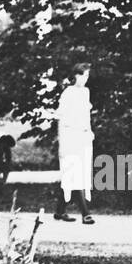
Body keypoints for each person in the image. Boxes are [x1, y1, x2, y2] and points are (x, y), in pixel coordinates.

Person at [54, 63, 94, 223]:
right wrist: (62, 144)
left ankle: (60, 210)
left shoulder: (86, 92)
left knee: (80, 173)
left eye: (87, 76)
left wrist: (89, 131)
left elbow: (86, 117)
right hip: (70, 137)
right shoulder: (68, 93)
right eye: (83, 75)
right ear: (76, 76)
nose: (85, 79)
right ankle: (85, 213)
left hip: (83, 137)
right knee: (73, 173)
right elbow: (62, 119)